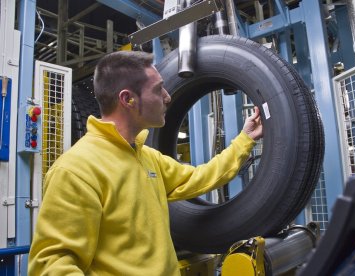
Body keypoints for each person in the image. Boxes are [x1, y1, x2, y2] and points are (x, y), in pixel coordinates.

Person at [28, 51, 263, 275]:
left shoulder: (147, 157)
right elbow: (52, 264)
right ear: (128, 99)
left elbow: (200, 177)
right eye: (158, 89)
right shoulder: (77, 170)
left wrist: (245, 139)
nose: (167, 97)